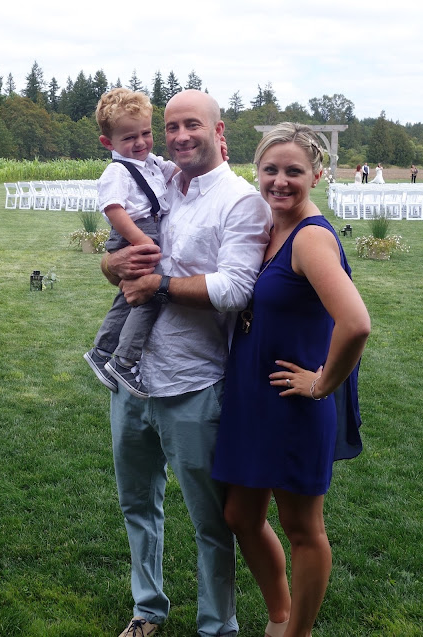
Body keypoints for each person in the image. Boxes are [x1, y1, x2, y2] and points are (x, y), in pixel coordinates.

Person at [100, 89, 272, 637]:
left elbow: (236, 289)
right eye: (170, 126)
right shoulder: (159, 183)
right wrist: (112, 264)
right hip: (133, 381)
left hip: (193, 383)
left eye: (191, 125)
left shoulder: (241, 201)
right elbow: (118, 258)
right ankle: (147, 609)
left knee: (210, 520)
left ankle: (217, 626)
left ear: (219, 131)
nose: (178, 137)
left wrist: (159, 285)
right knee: (137, 505)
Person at [212, 123, 371, 637]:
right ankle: (279, 617)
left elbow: (356, 323)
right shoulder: (271, 226)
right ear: (256, 172)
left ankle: (296, 632)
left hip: (292, 402)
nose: (280, 181)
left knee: (303, 528)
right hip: (252, 398)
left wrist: (322, 384)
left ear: (317, 176)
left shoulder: (311, 239)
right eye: (271, 170)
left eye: (294, 171)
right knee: (240, 516)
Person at [84, 88, 179, 399]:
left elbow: (177, 170)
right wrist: (140, 240)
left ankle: (100, 352)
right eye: (129, 137)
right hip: (133, 232)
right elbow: (113, 209)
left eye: (145, 133)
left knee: (128, 298)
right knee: (151, 294)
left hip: (144, 230)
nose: (140, 142)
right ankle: (124, 360)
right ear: (108, 143)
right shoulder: (117, 171)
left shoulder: (149, 162)